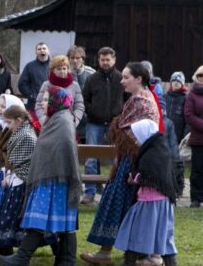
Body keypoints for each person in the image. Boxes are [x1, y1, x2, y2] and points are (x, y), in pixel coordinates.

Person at [0, 87, 81, 266]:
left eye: (45, 100)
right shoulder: (57, 119)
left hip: (56, 179)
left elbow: (65, 148)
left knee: (42, 216)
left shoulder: (63, 121)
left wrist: (55, 171)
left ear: (55, 102)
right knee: (56, 219)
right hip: (51, 178)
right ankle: (64, 260)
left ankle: (25, 257)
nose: (41, 103)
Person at [0, 103, 36, 264]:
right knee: (6, 218)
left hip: (20, 184)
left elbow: (22, 164)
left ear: (18, 120)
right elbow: (13, 161)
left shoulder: (27, 136)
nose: (7, 126)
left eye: (9, 122)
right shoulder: (20, 133)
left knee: (9, 218)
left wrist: (9, 176)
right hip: (13, 181)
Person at [114, 120, 178, 266]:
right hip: (162, 203)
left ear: (145, 134)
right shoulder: (159, 147)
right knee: (164, 239)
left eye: (137, 136)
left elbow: (151, 176)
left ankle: (128, 263)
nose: (136, 140)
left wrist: (134, 178)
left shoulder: (153, 153)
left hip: (150, 203)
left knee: (136, 235)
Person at [80, 119, 142, 265]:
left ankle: (110, 253)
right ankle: (117, 253)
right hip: (124, 177)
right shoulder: (127, 144)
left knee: (117, 211)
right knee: (118, 210)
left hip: (126, 180)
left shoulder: (129, 142)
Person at [81, 47, 124, 204]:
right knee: (91, 158)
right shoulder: (92, 79)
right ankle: (90, 192)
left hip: (116, 124)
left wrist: (120, 115)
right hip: (95, 123)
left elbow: (127, 98)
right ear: (98, 60)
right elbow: (85, 99)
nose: (105, 62)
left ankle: (113, 191)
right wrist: (92, 111)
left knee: (117, 157)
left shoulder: (121, 78)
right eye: (103, 60)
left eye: (108, 60)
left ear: (114, 60)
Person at [34, 54, 85, 129]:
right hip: (49, 125)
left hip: (68, 124)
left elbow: (79, 105)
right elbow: (39, 104)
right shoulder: (46, 84)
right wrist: (43, 121)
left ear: (68, 70)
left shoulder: (74, 85)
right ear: (53, 70)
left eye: (64, 69)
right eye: (59, 69)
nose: (62, 71)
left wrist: (74, 121)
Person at [68, 45, 95, 144]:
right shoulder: (64, 73)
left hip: (87, 116)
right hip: (69, 115)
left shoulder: (91, 73)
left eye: (78, 58)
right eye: (72, 58)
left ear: (82, 59)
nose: (75, 61)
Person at [185, 65, 203, 208]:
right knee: (197, 169)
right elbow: (189, 115)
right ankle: (195, 198)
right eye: (200, 75)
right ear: (196, 77)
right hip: (198, 139)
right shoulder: (191, 95)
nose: (202, 78)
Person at [18, 42, 50, 113]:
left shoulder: (54, 66)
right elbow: (22, 85)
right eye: (39, 49)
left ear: (48, 51)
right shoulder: (30, 66)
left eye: (44, 48)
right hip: (34, 106)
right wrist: (31, 95)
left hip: (51, 105)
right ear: (36, 52)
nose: (42, 50)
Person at [166, 71, 188, 144]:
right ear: (171, 83)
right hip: (164, 135)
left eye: (178, 81)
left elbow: (188, 121)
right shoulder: (165, 97)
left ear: (182, 84)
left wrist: (184, 137)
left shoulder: (186, 98)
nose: (176, 82)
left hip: (178, 137)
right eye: (174, 80)